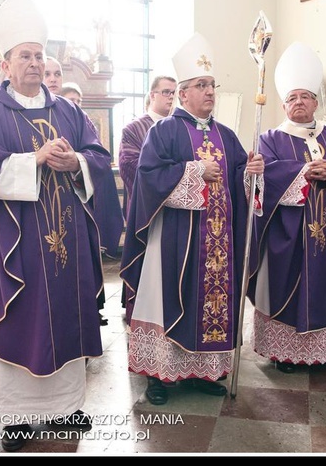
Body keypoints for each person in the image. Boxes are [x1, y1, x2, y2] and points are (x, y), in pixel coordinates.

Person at [0, 0, 112, 452]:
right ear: (6, 65)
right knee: (17, 320)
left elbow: (99, 158)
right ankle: (14, 418)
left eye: (40, 56)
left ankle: (64, 408)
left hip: (67, 243)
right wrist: (34, 160)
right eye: (25, 56)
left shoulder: (70, 111)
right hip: (14, 247)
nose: (36, 64)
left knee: (67, 317)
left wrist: (76, 163)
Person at [120, 32, 264, 405]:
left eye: (212, 85)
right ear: (183, 94)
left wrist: (251, 172)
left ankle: (202, 371)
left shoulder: (227, 135)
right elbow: (148, 177)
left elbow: (237, 182)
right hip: (174, 240)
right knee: (163, 299)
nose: (210, 92)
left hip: (217, 244)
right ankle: (157, 375)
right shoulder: (164, 131)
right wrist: (194, 172)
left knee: (210, 305)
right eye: (201, 85)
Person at [247, 41, 326, 374]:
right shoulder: (269, 138)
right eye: (291, 98)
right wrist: (302, 172)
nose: (298, 102)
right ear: (284, 105)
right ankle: (284, 352)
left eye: (304, 96)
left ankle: (323, 352)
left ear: (316, 102)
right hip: (288, 237)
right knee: (288, 288)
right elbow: (262, 175)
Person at [44, 72, 125, 326]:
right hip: (36, 219)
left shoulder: (77, 119)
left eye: (57, 73)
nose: (52, 78)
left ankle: (86, 317)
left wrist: (77, 161)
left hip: (74, 216)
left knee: (79, 275)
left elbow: (98, 157)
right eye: (48, 73)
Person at [118, 75, 177, 220]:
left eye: (174, 93)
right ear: (152, 95)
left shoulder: (181, 127)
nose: (171, 97)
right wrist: (174, 173)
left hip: (178, 208)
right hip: (148, 207)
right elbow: (131, 166)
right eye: (166, 92)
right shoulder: (133, 129)